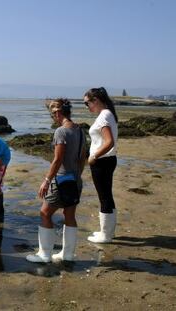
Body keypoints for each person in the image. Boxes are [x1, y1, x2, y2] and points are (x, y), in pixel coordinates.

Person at [26, 98, 86, 263]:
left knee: (45, 213)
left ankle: (44, 255)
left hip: (61, 180)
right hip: (75, 180)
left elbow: (57, 159)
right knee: (69, 214)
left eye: (52, 114)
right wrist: (77, 176)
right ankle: (67, 254)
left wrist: (46, 180)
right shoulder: (80, 131)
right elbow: (83, 158)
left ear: (57, 113)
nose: (52, 118)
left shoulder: (61, 131)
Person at [84, 87, 119, 244]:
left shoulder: (104, 116)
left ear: (95, 100)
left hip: (102, 161)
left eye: (87, 103)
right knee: (107, 196)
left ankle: (105, 235)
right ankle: (108, 232)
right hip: (108, 160)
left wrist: (94, 156)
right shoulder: (108, 114)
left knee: (104, 197)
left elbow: (109, 141)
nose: (87, 107)